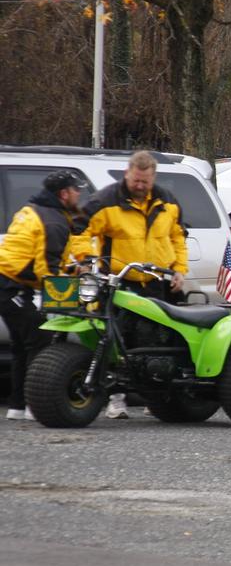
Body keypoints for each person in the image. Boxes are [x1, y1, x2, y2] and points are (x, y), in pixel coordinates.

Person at [76, 150, 189, 419]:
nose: (140, 186)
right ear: (127, 174)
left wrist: (179, 270)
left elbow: (178, 237)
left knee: (156, 340)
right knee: (116, 340)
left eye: (145, 182)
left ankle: (155, 398)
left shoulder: (167, 201)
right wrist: (85, 258)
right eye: (136, 180)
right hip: (118, 283)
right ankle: (115, 399)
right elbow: (80, 229)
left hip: (155, 283)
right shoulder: (105, 201)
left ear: (153, 178)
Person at [0, 170, 87, 420]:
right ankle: (35, 406)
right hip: (9, 286)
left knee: (20, 345)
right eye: (75, 190)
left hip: (12, 284)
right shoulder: (54, 221)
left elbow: (41, 258)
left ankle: (17, 406)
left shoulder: (33, 209)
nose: (78, 194)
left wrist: (71, 268)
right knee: (42, 338)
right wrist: (73, 288)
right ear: (64, 194)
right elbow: (48, 272)